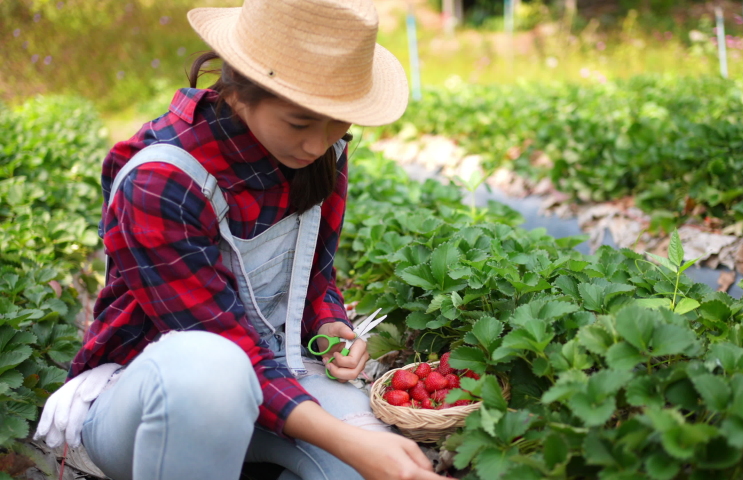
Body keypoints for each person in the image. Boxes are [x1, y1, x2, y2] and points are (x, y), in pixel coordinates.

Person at [34, 1, 448, 479]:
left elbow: (314, 275)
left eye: (337, 120)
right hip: (160, 398)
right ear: (239, 91)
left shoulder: (319, 154)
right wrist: (349, 441)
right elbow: (222, 344)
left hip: (283, 378)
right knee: (213, 371)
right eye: (299, 122)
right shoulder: (160, 182)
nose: (318, 143)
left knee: (380, 470)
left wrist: (328, 323)